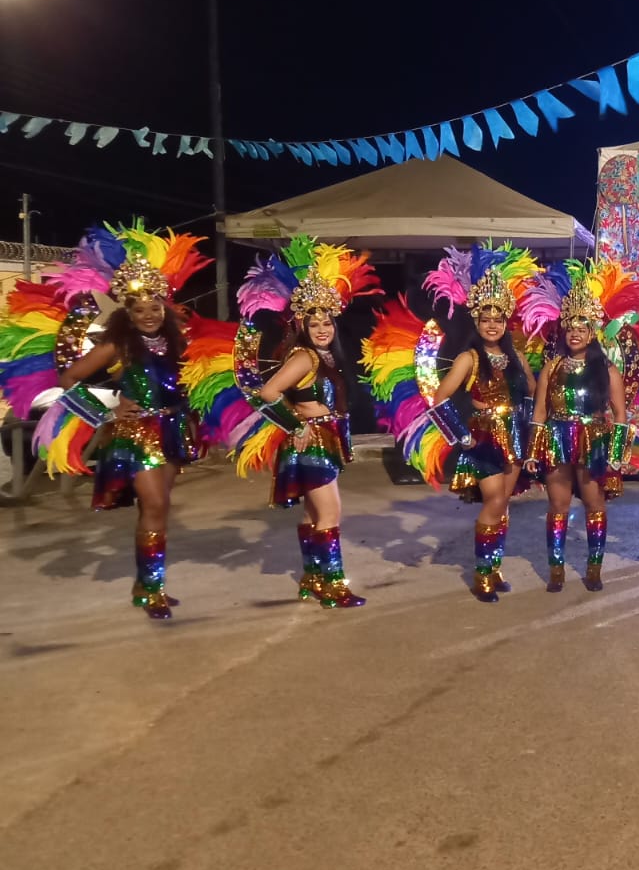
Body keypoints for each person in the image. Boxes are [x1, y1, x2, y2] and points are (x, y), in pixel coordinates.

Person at [27, 224, 211, 619]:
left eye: (154, 307)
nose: (148, 315)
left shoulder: (177, 342)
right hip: (137, 434)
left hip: (172, 430)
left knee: (159, 508)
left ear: (164, 307)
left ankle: (147, 585)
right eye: (139, 309)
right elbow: (69, 378)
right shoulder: (118, 344)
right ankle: (152, 588)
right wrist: (105, 412)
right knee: (155, 504)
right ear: (127, 313)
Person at [237, 237, 382, 609]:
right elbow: (267, 392)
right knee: (330, 513)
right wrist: (296, 425)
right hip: (312, 440)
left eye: (326, 322)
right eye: (313, 323)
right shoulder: (304, 356)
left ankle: (312, 578)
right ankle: (333, 585)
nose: (321, 329)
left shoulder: (324, 356)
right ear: (302, 324)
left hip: (324, 437)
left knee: (314, 512)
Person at [423, 244, 541, 603]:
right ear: (477, 321)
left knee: (503, 504)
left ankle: (495, 568)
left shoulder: (517, 356)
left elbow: (533, 393)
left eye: (498, 319)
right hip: (484, 437)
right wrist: (460, 436)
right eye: (486, 319)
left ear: (506, 322)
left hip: (515, 435)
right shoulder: (469, 358)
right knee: (493, 500)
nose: (492, 325)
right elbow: (439, 398)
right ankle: (482, 574)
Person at [528, 276, 629, 593]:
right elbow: (540, 412)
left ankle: (594, 570)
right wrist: (532, 450)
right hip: (557, 439)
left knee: (594, 504)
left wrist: (616, 455)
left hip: (594, 442)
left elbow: (621, 415)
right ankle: (556, 571)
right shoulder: (552, 367)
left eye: (581, 328)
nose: (575, 333)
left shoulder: (607, 370)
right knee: (557, 505)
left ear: (592, 332)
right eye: (570, 328)